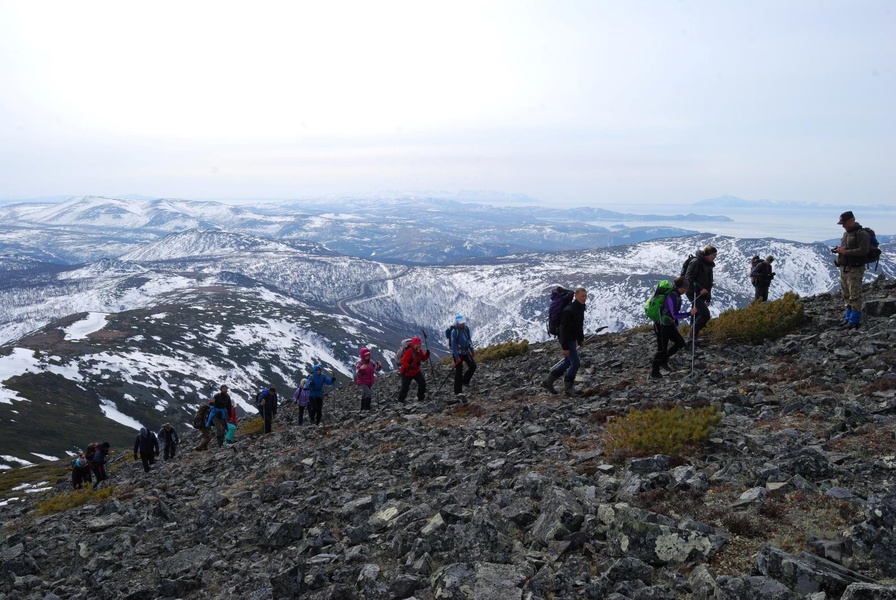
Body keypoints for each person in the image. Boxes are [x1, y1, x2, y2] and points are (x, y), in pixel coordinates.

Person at [649, 277, 698, 380]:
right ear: (681, 287)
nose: (686, 290)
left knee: (680, 343)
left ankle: (664, 360)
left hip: (669, 324)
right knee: (662, 349)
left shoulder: (676, 295)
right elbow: (674, 315)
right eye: (685, 288)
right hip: (662, 325)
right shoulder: (672, 296)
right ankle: (654, 372)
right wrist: (689, 313)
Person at [542, 287, 587, 396]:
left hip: (571, 338)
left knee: (567, 362)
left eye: (585, 296)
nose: (584, 298)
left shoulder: (580, 308)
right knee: (575, 363)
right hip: (566, 339)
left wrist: (580, 339)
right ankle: (568, 388)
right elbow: (563, 330)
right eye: (582, 296)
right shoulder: (569, 310)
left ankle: (548, 382)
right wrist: (565, 347)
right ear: (576, 296)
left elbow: (579, 325)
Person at [834, 211, 871, 329]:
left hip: (855, 269)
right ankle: (848, 317)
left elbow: (864, 251)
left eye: (844, 223)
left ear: (851, 220)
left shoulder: (862, 234)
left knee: (854, 294)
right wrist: (840, 252)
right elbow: (846, 248)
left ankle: (854, 320)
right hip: (844, 268)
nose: (843, 225)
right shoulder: (846, 234)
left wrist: (846, 252)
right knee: (846, 293)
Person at [683, 245, 717, 344]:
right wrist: (700, 288)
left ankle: (692, 338)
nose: (715, 256)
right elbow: (688, 278)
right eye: (714, 254)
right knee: (705, 314)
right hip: (692, 291)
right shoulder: (696, 262)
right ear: (708, 254)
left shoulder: (708, 264)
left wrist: (708, 297)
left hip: (701, 293)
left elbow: (709, 282)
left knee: (697, 313)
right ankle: (692, 334)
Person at [397, 336, 430, 403]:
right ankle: (400, 401)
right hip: (406, 373)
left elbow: (423, 358)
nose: (419, 347)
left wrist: (427, 354)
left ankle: (421, 397)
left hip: (416, 371)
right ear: (414, 345)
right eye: (417, 346)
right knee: (405, 388)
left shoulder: (419, 350)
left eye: (419, 345)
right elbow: (403, 361)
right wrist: (408, 366)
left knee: (422, 383)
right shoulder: (409, 351)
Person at [450, 315, 477, 395]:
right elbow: (453, 346)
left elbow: (469, 340)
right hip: (458, 354)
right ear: (457, 322)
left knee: (473, 366)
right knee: (459, 372)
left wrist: (472, 350)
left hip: (465, 352)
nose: (462, 324)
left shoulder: (466, 328)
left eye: (463, 322)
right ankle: (458, 392)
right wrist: (457, 357)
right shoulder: (454, 332)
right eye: (461, 323)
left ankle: (465, 381)